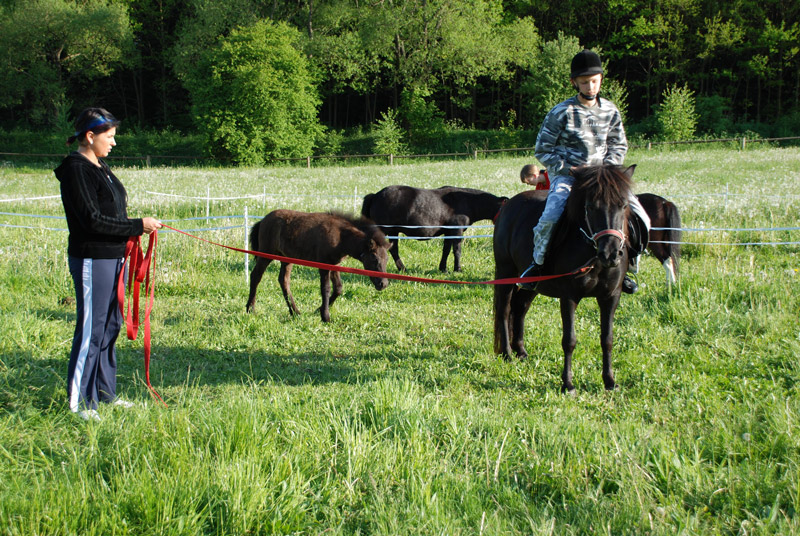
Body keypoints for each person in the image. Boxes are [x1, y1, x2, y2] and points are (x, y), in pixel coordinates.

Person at [54, 107, 162, 421]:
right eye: (109, 136)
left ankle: (104, 393)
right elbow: (91, 220)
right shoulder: (77, 169)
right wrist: (135, 225)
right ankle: (80, 403)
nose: (113, 143)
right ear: (90, 136)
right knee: (92, 329)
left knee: (111, 325)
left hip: (115, 257)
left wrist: (135, 225)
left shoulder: (99, 166)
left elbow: (111, 214)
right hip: (93, 258)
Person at [519, 49, 650, 293]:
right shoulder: (561, 112)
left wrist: (607, 169)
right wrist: (568, 168)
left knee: (642, 216)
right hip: (570, 177)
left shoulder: (611, 111)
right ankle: (536, 266)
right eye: (584, 82)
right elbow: (543, 149)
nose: (590, 87)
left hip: (604, 178)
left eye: (594, 81)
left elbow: (619, 144)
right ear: (574, 83)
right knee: (550, 216)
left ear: (601, 79)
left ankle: (628, 265)